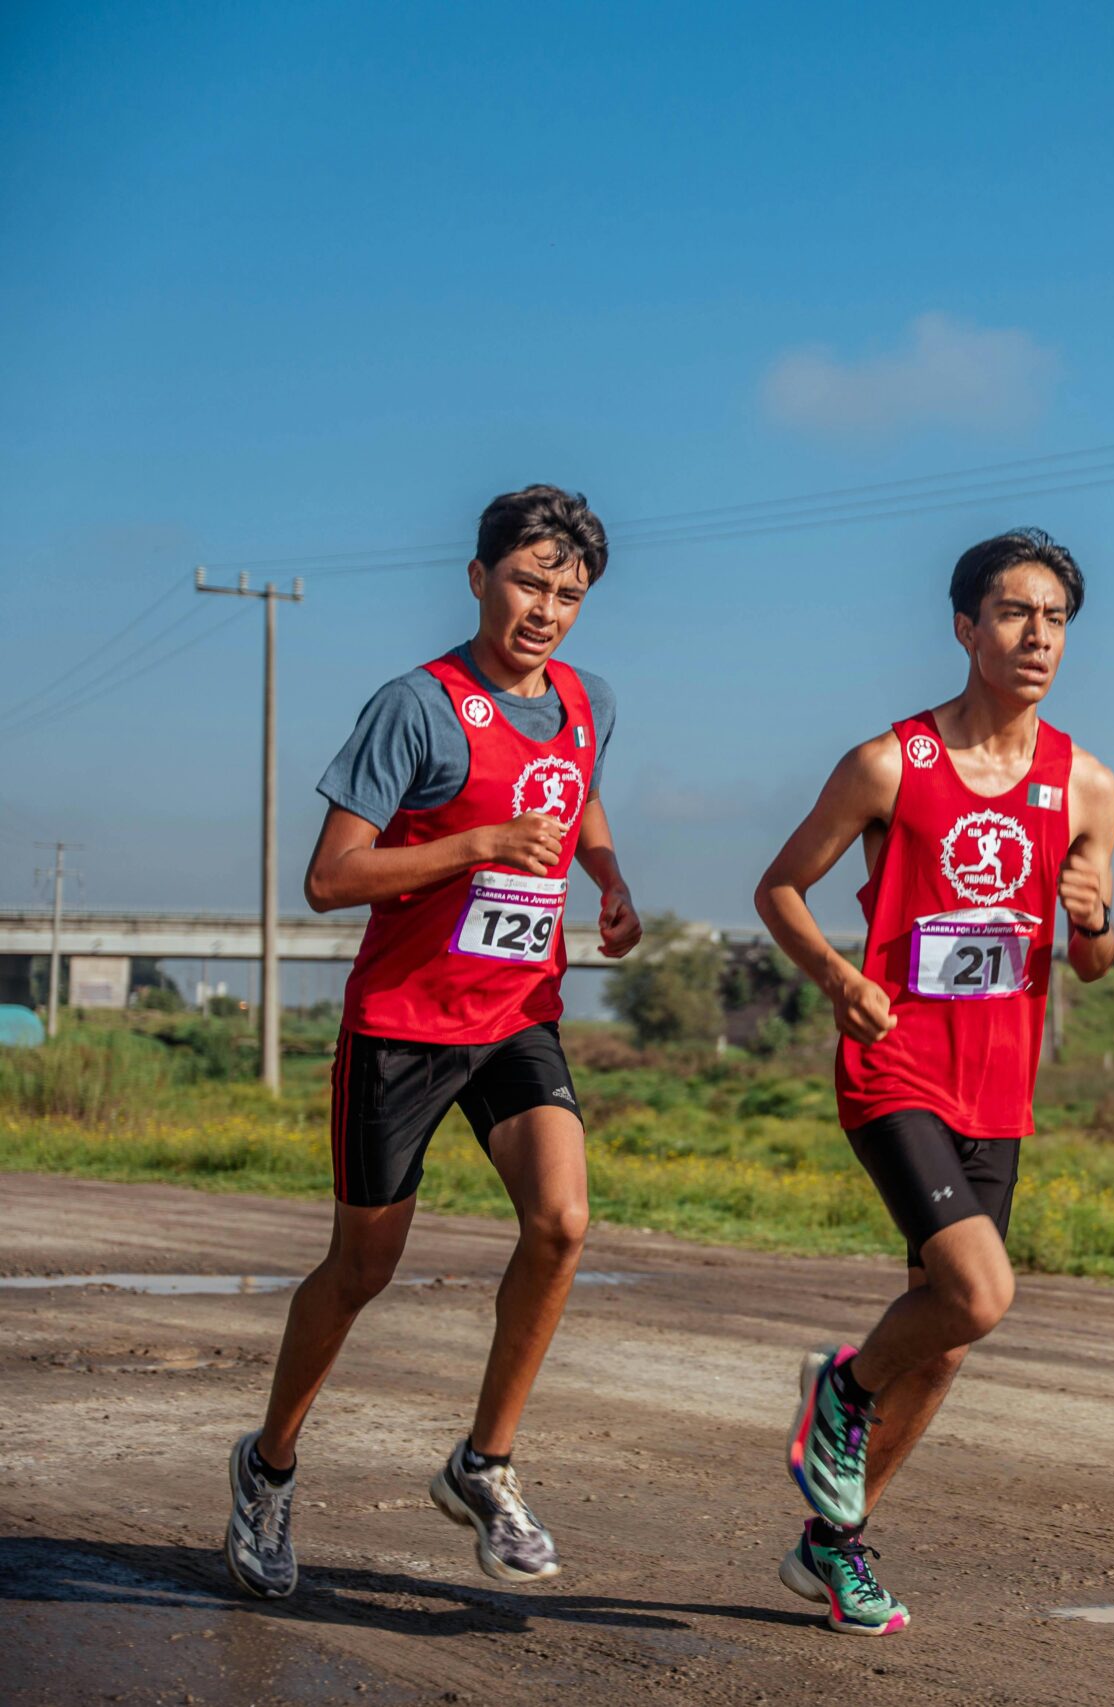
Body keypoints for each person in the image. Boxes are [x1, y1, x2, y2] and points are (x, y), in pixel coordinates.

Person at [222, 485, 643, 1600]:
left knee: (561, 1221)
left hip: (514, 1015)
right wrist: (478, 844)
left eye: (568, 592)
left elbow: (578, 793)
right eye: (526, 582)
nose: (544, 609)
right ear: (477, 578)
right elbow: (329, 880)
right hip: (402, 1027)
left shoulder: (588, 701)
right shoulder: (415, 707)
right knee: (364, 1267)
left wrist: (606, 877)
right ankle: (267, 1469)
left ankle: (483, 1462)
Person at [754, 527, 1114, 1634]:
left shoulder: (1086, 784)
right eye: (1014, 612)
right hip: (894, 1064)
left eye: (1055, 619)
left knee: (951, 1335)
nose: (1037, 636)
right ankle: (844, 1392)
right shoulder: (888, 765)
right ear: (964, 626)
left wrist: (1097, 920)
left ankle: (833, 1546)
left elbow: (1093, 961)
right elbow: (778, 888)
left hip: (999, 1089)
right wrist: (834, 977)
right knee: (978, 1293)